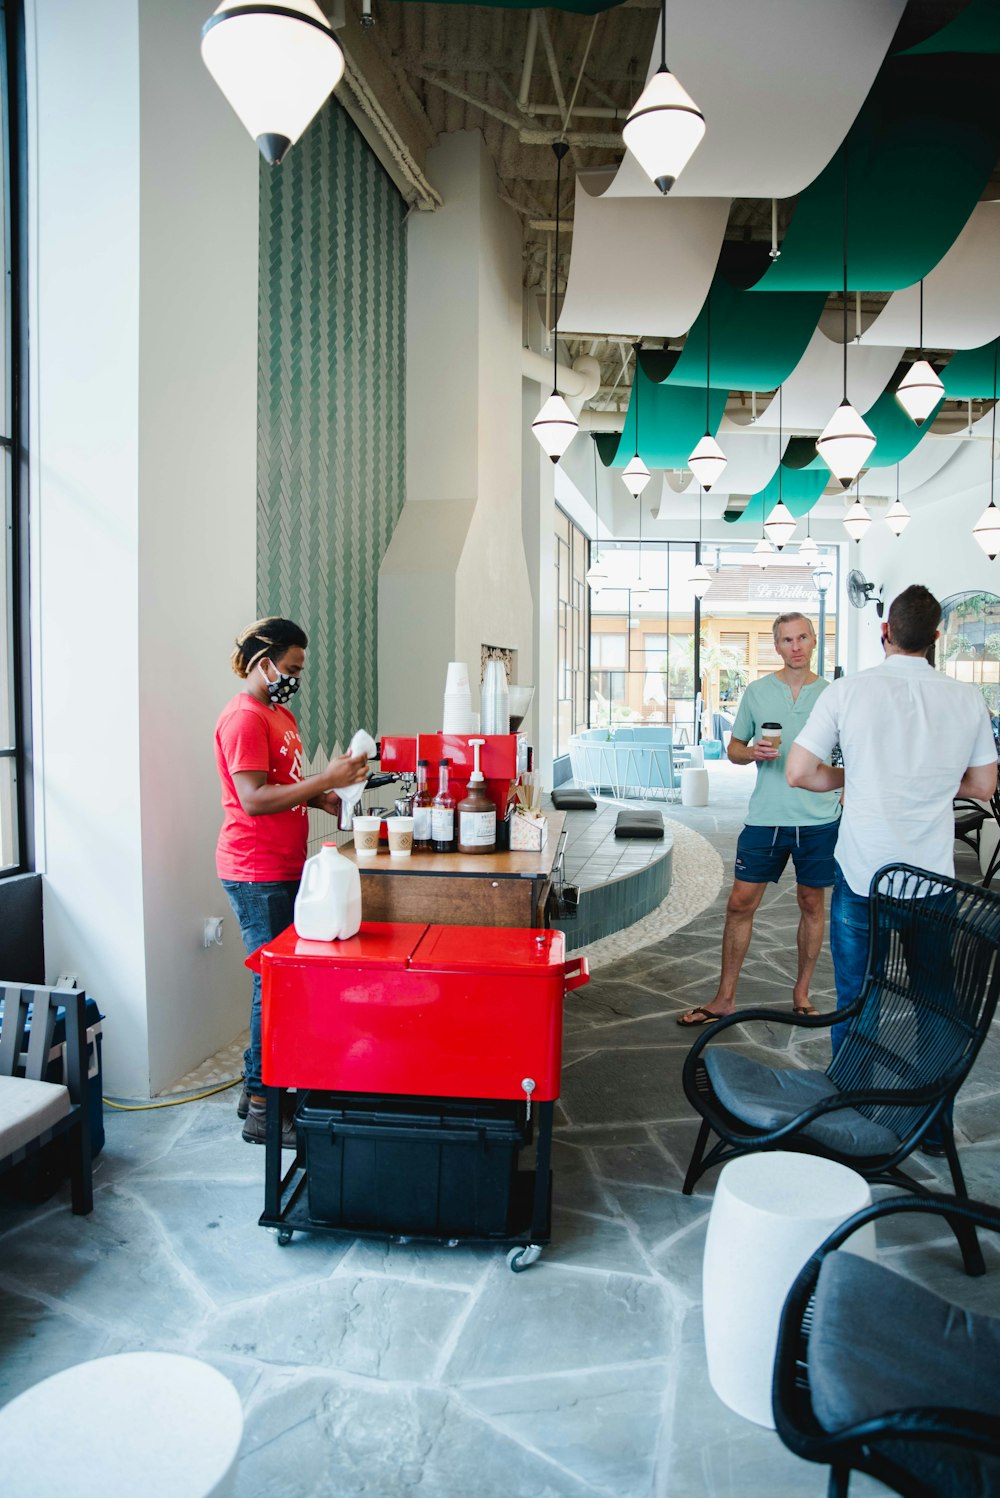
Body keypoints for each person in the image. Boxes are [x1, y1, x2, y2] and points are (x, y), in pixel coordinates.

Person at [787, 584, 997, 1111]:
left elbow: (798, 771)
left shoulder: (847, 692)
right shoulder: (967, 698)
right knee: (935, 999)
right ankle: (933, 1116)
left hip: (862, 877)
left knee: (858, 996)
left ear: (885, 632)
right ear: (936, 637)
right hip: (930, 880)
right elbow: (983, 786)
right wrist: (925, 782)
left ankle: (852, 1106)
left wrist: (856, 778)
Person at [215, 617, 369, 1145]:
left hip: (284, 865)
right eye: (291, 668)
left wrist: (321, 795)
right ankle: (263, 1108)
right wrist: (324, 779)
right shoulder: (243, 718)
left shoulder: (281, 714)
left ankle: (251, 1088)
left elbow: (284, 784)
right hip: (253, 870)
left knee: (274, 982)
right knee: (274, 985)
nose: (296, 678)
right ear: (263, 662)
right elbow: (253, 800)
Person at [678, 612, 842, 1027]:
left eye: (802, 637)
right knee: (739, 905)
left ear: (813, 641)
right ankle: (724, 998)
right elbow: (733, 748)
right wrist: (753, 752)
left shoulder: (834, 695)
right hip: (766, 817)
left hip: (819, 819)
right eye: (787, 640)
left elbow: (849, 751)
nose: (796, 646)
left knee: (811, 904)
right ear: (777, 646)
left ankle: (802, 993)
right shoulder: (757, 692)